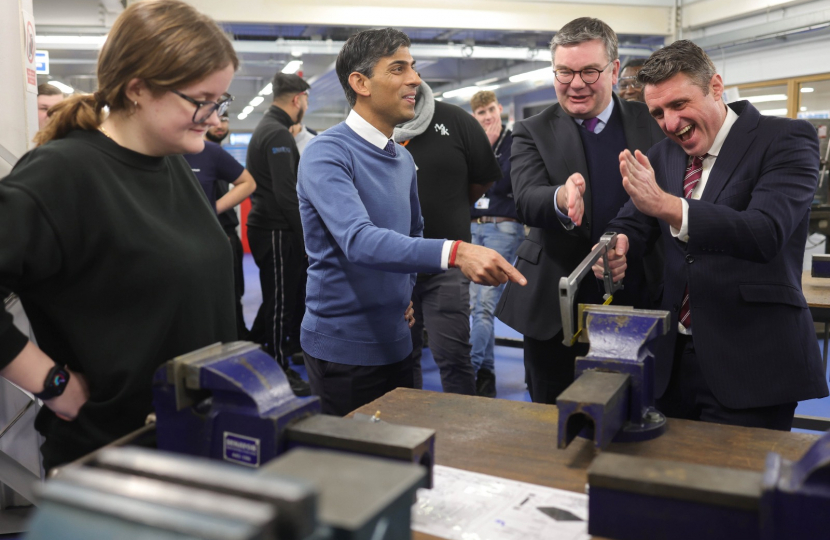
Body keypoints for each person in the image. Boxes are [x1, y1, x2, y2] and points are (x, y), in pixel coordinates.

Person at [0, 0, 238, 470]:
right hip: (113, 457)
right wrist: (53, 385)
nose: (214, 118)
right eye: (201, 101)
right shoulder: (62, 174)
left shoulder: (171, 161)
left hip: (195, 441)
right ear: (138, 89)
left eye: (220, 101)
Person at [592, 40, 829, 431]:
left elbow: (764, 232)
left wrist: (667, 205)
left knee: (740, 488)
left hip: (752, 360)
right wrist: (615, 244)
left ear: (716, 87)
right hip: (671, 359)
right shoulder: (662, 154)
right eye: (657, 112)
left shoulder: (785, 139)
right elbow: (631, 220)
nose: (670, 123)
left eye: (679, 104)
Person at [297, 28, 526, 416]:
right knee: (359, 465)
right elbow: (359, 240)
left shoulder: (400, 158)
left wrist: (404, 291)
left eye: (414, 68)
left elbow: (413, 230)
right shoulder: (326, 154)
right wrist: (456, 251)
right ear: (360, 83)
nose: (415, 80)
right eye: (398, 69)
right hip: (344, 350)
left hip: (397, 341)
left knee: (403, 454)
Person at [495, 17, 665, 405]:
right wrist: (561, 197)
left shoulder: (652, 124)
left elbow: (664, 196)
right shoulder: (532, 130)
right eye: (565, 72)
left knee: (638, 412)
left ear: (615, 70)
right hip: (556, 309)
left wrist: (627, 247)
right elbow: (526, 197)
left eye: (589, 71)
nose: (576, 83)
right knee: (552, 418)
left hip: (638, 295)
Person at [393, 82, 502, 397]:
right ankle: (406, 435)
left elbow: (482, 179)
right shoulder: (376, 127)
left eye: (409, 68)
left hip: (449, 262)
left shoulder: (457, 121)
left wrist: (450, 209)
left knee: (453, 357)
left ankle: (462, 437)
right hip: (397, 264)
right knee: (402, 356)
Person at [245, 73, 311, 396]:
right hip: (276, 230)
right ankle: (277, 367)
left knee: (276, 298)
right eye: (306, 101)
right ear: (297, 99)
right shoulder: (278, 135)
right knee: (280, 303)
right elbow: (287, 195)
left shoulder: (270, 129)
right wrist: (305, 239)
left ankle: (256, 351)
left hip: (268, 227)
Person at [467, 90, 524, 397]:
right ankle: (485, 374)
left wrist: (487, 154)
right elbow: (464, 184)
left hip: (503, 229)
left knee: (484, 306)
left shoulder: (515, 142)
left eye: (490, 109)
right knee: (476, 306)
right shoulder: (473, 144)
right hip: (473, 227)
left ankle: (470, 373)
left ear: (500, 109)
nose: (487, 116)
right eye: (480, 112)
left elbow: (506, 184)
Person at [183, 118, 256, 340]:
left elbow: (247, 183)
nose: (218, 124)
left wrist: (211, 210)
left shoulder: (211, 153)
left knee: (229, 301)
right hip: (179, 247)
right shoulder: (162, 153)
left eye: (224, 119)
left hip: (217, 239)